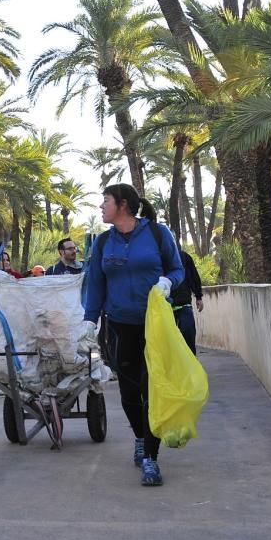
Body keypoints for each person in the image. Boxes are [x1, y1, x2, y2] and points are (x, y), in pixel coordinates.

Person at [83, 184, 183, 487]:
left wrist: (167, 282)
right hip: (119, 326)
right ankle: (140, 436)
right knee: (128, 392)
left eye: (106, 201)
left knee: (150, 389)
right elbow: (96, 284)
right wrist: (89, 321)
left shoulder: (157, 233)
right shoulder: (103, 243)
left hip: (154, 326)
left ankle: (151, 458)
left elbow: (178, 270)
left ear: (123, 205)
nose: (102, 206)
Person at [172, 249, 204, 355]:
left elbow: (193, 276)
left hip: (183, 304)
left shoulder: (184, 257)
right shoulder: (157, 257)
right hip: (164, 306)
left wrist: (198, 296)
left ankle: (191, 362)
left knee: (188, 334)